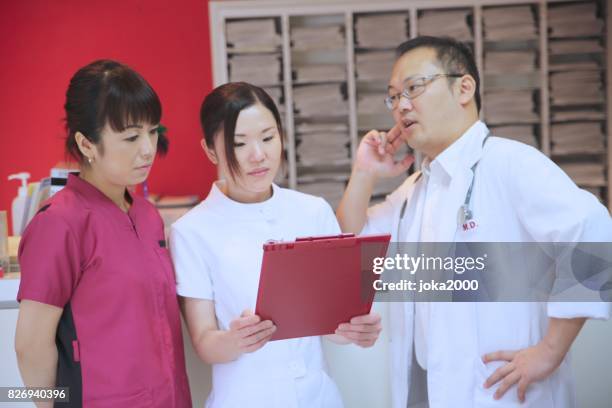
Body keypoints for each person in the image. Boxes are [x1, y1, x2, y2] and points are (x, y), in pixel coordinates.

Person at [336, 36, 612, 408]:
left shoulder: (509, 164)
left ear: (464, 87)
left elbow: (592, 231)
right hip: (427, 393)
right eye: (393, 97)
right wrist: (364, 172)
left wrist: (550, 351)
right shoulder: (416, 189)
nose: (401, 106)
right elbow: (349, 241)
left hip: (501, 394)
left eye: (414, 88)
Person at [170, 82, 382, 408]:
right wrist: (235, 339)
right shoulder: (191, 231)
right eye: (239, 144)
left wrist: (355, 330)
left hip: (317, 397)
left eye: (268, 138)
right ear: (210, 150)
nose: (259, 155)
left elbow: (330, 323)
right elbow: (204, 343)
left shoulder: (312, 211)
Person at [15, 60, 191, 408]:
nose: (148, 148)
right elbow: (30, 345)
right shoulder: (60, 224)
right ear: (86, 144)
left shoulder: (147, 215)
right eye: (131, 136)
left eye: (153, 131)